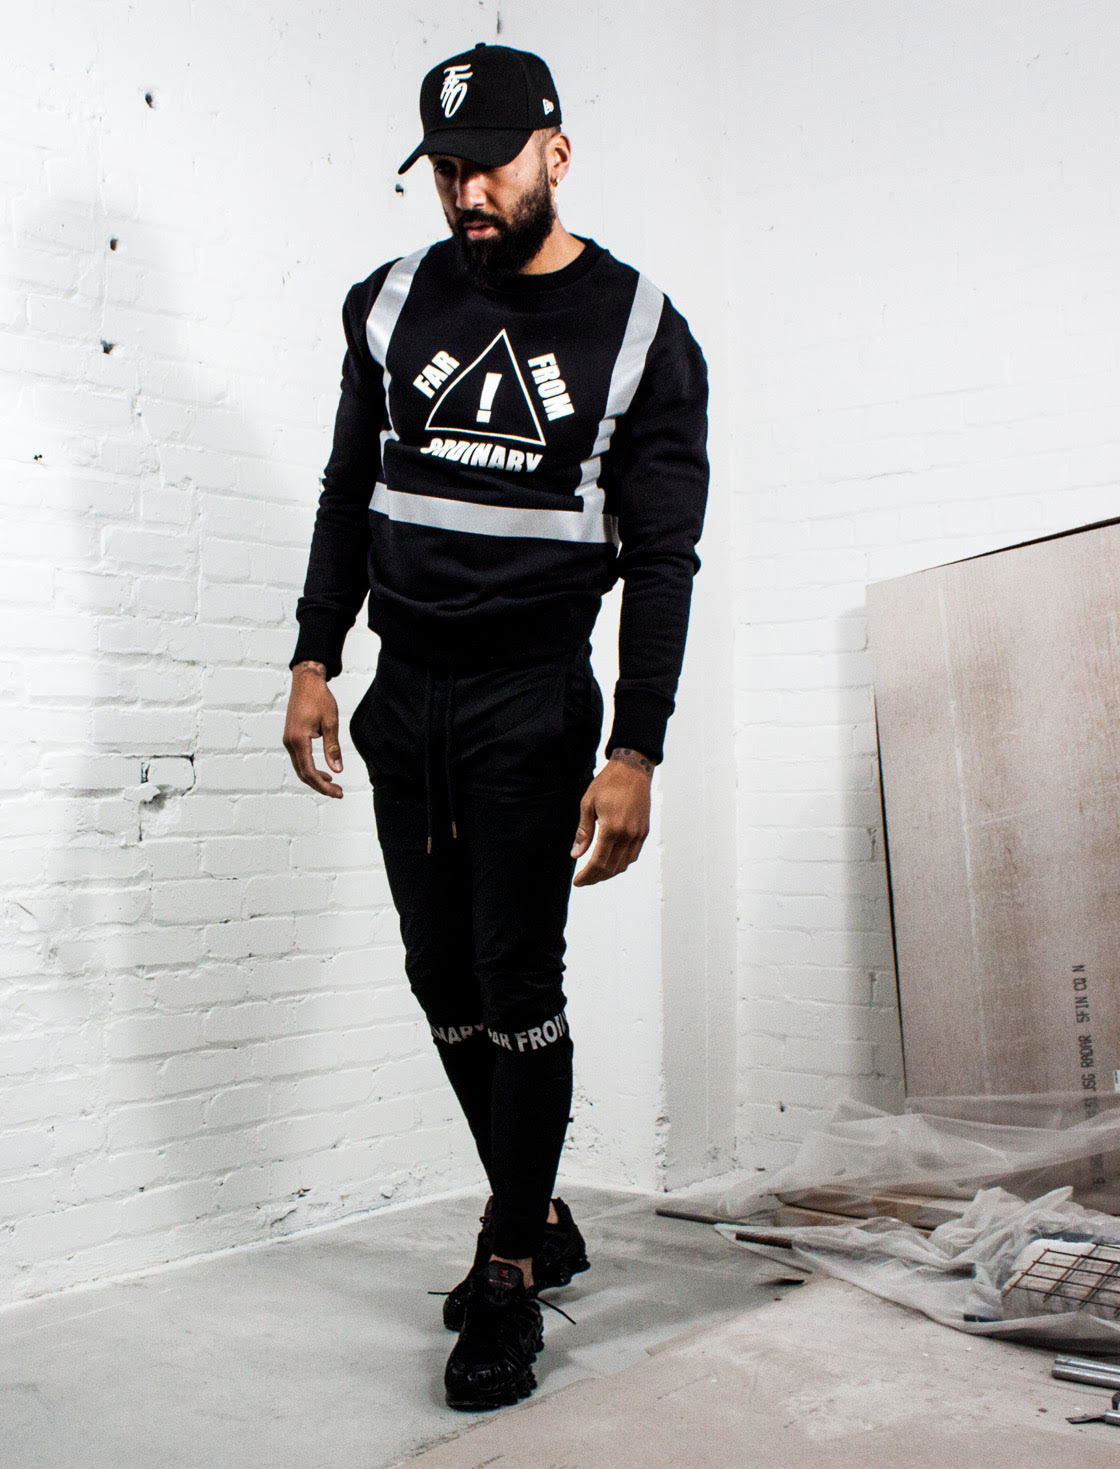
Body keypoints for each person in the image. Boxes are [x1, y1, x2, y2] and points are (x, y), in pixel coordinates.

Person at [283, 41, 709, 1412]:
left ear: (556, 154)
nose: (468, 194)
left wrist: (636, 748)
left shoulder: (640, 331)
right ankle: (539, 1208)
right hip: (405, 694)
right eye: (447, 170)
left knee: (517, 990)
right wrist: (314, 655)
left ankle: (511, 1265)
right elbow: (349, 490)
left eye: (491, 167)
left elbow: (662, 558)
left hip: (533, 700)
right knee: (441, 980)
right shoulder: (390, 302)